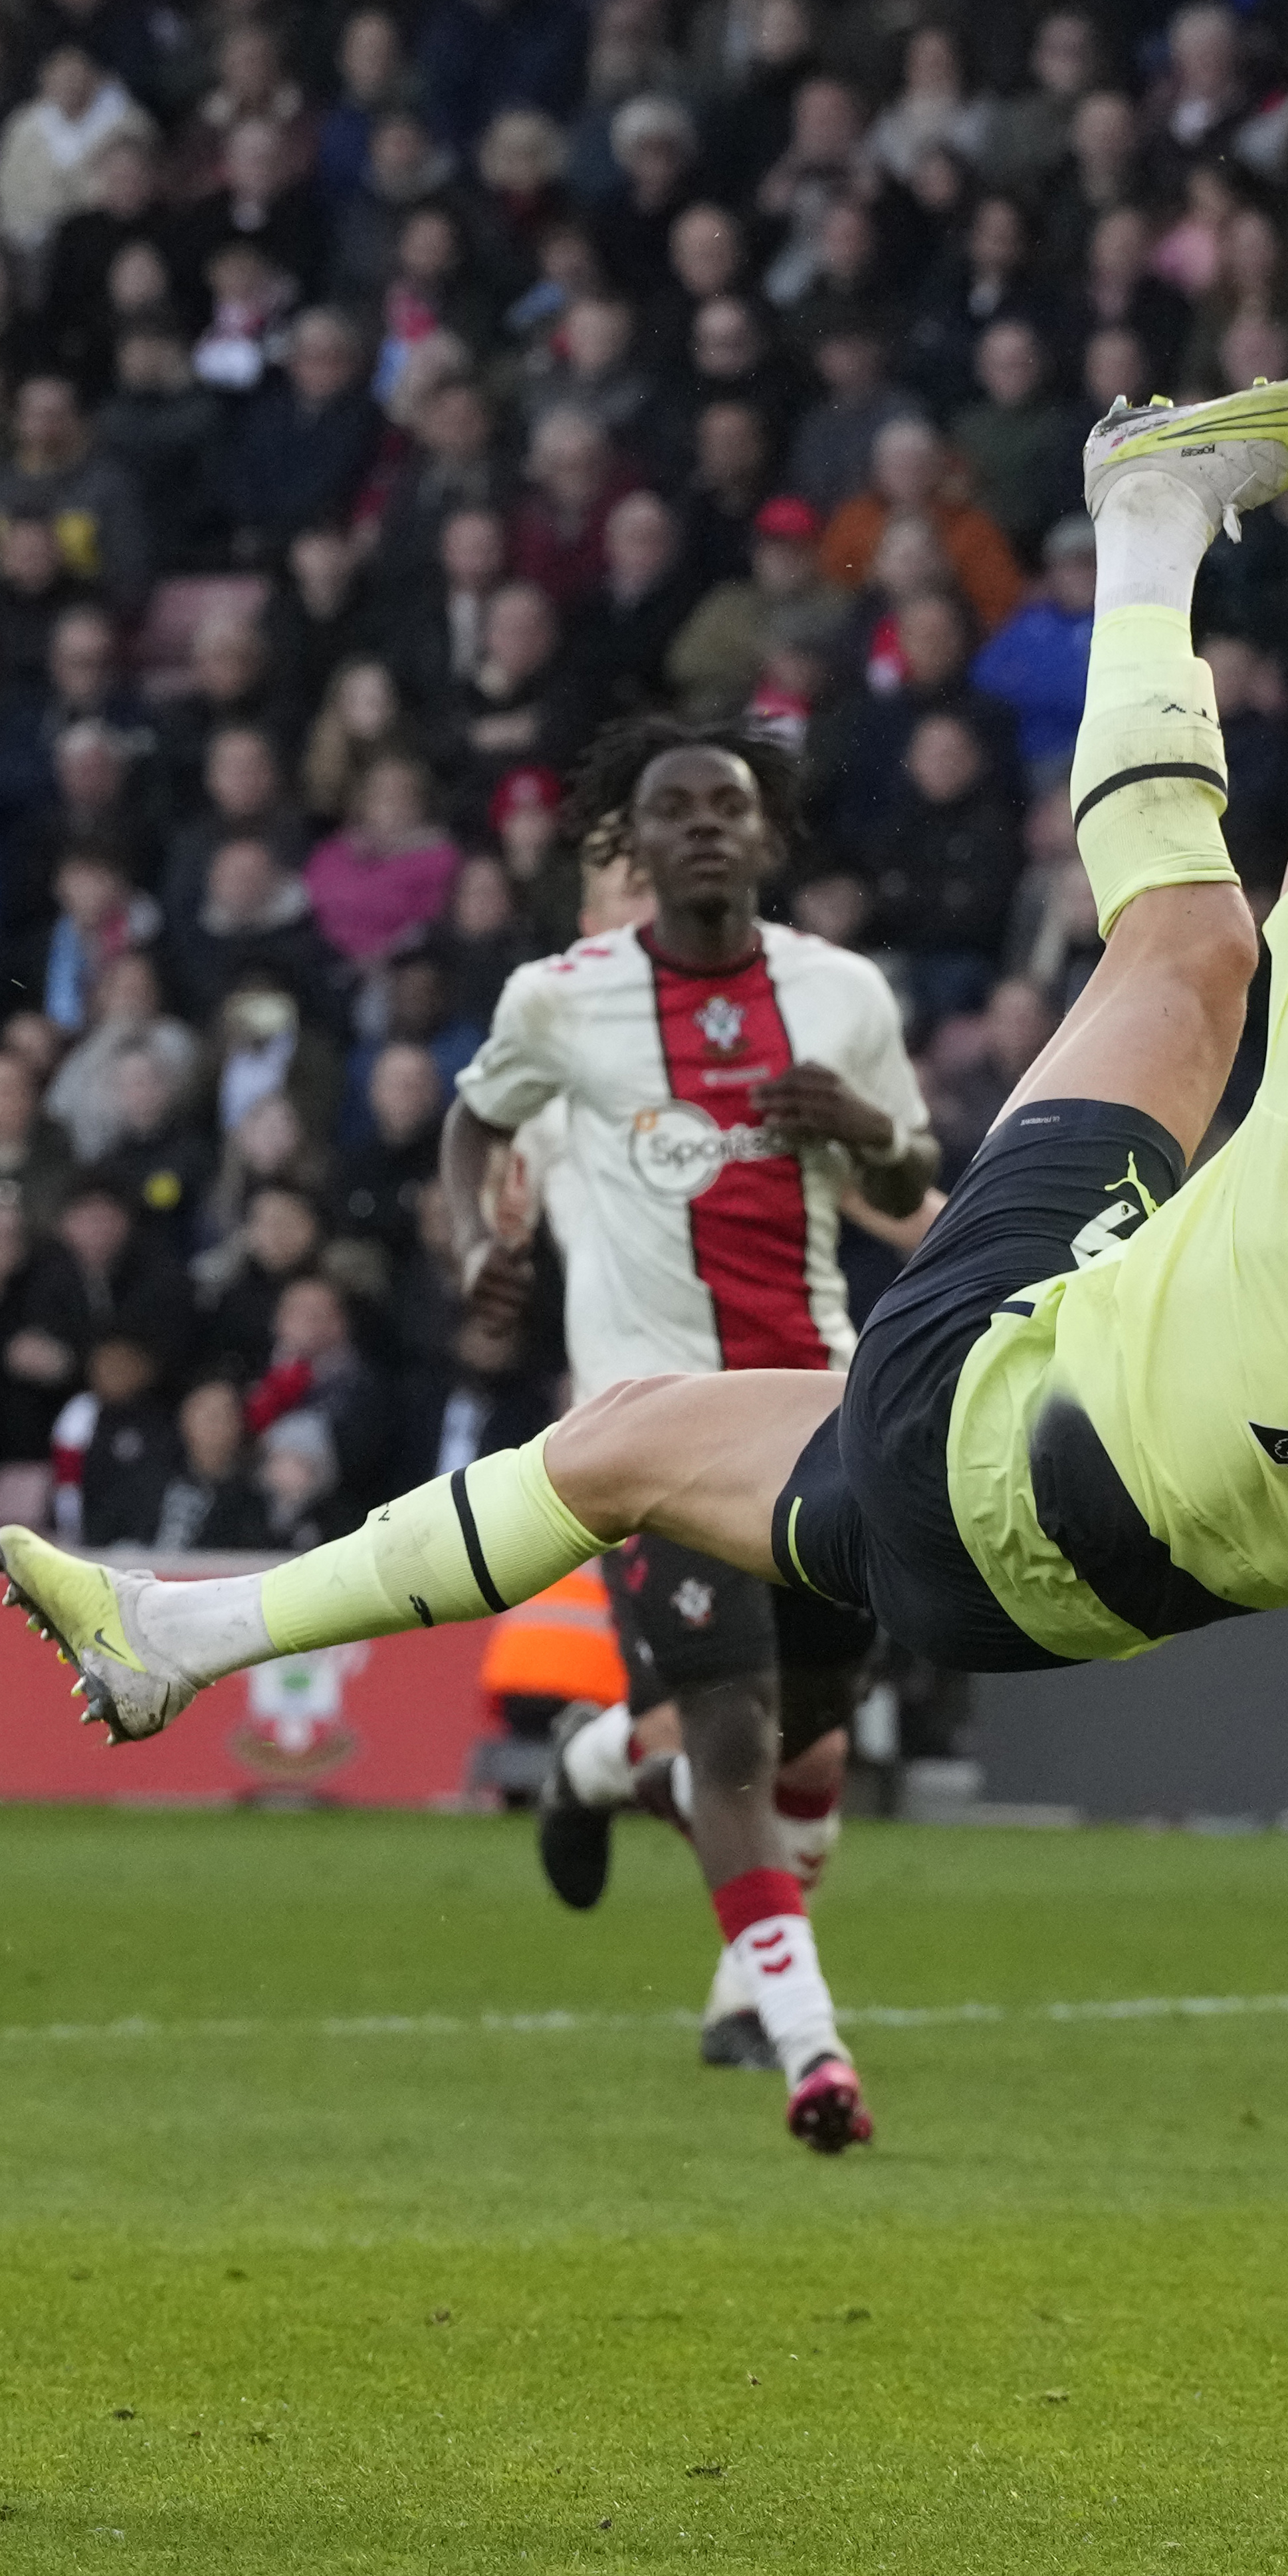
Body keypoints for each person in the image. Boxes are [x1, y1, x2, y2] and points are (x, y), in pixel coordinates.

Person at [0, 387, 1288, 2224]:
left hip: (974, 1408)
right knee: (615, 1453)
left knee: (1187, 939)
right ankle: (181, 1634)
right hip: (1020, 1614)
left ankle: (1148, 521)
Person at [445, 713, 932, 2081]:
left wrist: (869, 1132)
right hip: (648, 1420)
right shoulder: (562, 1002)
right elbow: (479, 1116)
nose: (706, 826)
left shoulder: (843, 996)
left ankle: (600, 1765)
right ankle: (794, 2030)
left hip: (817, 1408)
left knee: (813, 1731)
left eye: (730, 804)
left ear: (768, 833)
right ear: (633, 846)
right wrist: (479, 1238)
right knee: (730, 1724)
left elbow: (903, 1186)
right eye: (675, 809)